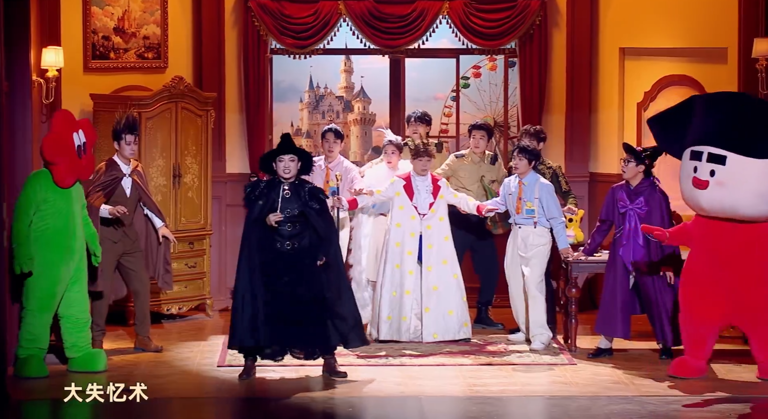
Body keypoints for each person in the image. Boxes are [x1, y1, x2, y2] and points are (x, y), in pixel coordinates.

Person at [641, 92, 768, 380]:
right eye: (696, 166)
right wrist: (666, 235)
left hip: (757, 292)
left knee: (764, 323)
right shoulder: (706, 221)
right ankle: (695, 358)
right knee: (697, 320)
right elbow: (690, 232)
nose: (700, 177)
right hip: (705, 292)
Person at [228, 133, 368, 381]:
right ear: (274, 164)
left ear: (299, 164)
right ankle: (249, 361)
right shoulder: (260, 191)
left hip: (303, 261)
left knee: (317, 307)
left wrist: (321, 254)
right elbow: (251, 232)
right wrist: (265, 220)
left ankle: (329, 359)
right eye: (281, 160)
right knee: (261, 307)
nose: (286, 165)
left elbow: (324, 229)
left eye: (291, 160)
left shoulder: (311, 192)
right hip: (270, 262)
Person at [334, 138, 497, 343]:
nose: (424, 164)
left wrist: (480, 207)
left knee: (434, 282)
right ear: (412, 161)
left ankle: (445, 330)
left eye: (428, 160)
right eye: (420, 160)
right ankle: (397, 331)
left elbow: (459, 198)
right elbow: (374, 196)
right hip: (405, 242)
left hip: (433, 242)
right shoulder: (399, 182)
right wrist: (347, 203)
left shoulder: (439, 183)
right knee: (404, 282)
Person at [11, 110, 107, 378]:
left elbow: (83, 218)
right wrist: (21, 250)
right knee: (39, 308)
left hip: (76, 265)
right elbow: (21, 218)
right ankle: (29, 354)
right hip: (45, 263)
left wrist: (93, 242)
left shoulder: (75, 188)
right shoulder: (38, 182)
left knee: (77, 310)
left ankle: (80, 352)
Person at [574, 143, 682, 360]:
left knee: (658, 298)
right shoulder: (616, 191)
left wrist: (668, 263)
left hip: (650, 255)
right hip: (622, 253)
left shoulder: (657, 195)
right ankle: (605, 344)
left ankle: (665, 344)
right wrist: (587, 250)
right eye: (623, 161)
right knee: (614, 297)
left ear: (642, 167)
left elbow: (666, 230)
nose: (623, 165)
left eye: (628, 162)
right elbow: (604, 223)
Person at [85, 111, 174, 353]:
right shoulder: (106, 169)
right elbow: (91, 201)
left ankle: (143, 338)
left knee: (142, 286)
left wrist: (161, 226)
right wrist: (110, 210)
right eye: (128, 143)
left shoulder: (138, 170)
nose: (133, 147)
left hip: (129, 240)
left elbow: (146, 202)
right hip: (107, 240)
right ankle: (96, 340)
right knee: (101, 290)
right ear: (117, 144)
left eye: (135, 142)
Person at [481, 143, 573, 351]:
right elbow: (500, 203)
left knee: (533, 283)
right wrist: (479, 207)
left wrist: (563, 245)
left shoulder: (543, 186)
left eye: (521, 159)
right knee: (515, 283)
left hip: (537, 234)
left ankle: (541, 334)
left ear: (532, 163)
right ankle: (526, 329)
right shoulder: (509, 183)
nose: (515, 162)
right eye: (514, 158)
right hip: (516, 233)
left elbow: (556, 218)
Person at [434, 120, 508, 330]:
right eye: (473, 137)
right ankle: (444, 313)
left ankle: (483, 313)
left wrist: (497, 197)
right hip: (458, 219)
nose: (476, 141)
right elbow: (436, 179)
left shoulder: (494, 161)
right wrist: (454, 200)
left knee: (490, 268)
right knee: (451, 266)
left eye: (481, 138)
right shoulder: (456, 159)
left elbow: (505, 185)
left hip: (483, 222)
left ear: (488, 142)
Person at [509, 125, 578, 336]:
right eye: (523, 141)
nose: (525, 146)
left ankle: (546, 324)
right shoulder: (515, 168)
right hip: (519, 230)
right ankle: (526, 325)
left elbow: (567, 193)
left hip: (541, 230)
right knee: (519, 279)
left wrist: (570, 207)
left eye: (531, 142)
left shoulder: (551, 170)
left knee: (540, 279)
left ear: (540, 145)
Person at [348, 129, 412, 325]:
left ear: (400, 155)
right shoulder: (374, 173)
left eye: (393, 152)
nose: (389, 156)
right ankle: (374, 313)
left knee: (398, 270)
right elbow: (366, 199)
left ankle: (398, 315)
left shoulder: (407, 174)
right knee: (374, 269)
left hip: (401, 226)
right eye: (386, 153)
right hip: (378, 222)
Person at [306, 124, 364, 262]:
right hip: (313, 219)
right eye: (327, 141)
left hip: (338, 219)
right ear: (321, 143)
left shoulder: (348, 168)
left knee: (335, 261)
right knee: (312, 261)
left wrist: (358, 189)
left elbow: (359, 184)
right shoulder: (311, 166)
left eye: (335, 142)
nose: (331, 146)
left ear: (342, 145)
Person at [360, 110, 450, 175]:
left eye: (419, 124)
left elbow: (447, 171)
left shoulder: (438, 149)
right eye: (411, 124)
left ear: (428, 128)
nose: (414, 127)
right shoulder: (400, 148)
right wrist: (365, 168)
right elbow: (381, 160)